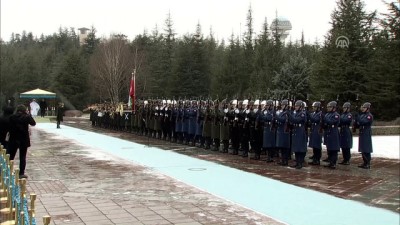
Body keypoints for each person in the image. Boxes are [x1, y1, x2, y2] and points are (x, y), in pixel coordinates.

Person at [7, 104, 36, 178]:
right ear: (24, 110)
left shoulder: (12, 117)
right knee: (22, 157)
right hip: (23, 139)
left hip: (13, 138)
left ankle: (8, 171)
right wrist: (28, 114)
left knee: (11, 156)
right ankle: (21, 173)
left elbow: (8, 126)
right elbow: (33, 123)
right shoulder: (26, 117)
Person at [354, 102, 373, 169]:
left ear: (367, 108)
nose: (363, 109)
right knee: (362, 147)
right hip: (362, 132)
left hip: (366, 132)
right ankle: (364, 162)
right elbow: (358, 123)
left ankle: (367, 163)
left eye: (364, 108)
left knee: (366, 148)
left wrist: (358, 117)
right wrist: (356, 120)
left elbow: (363, 122)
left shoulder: (369, 116)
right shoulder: (362, 115)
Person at [289, 100, 308, 169]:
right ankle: (297, 162)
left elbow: (296, 120)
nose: (296, 107)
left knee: (300, 148)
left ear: (301, 107)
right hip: (296, 130)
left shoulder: (302, 113)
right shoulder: (295, 113)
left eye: (297, 106)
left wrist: (289, 115)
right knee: (296, 147)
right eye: (295, 106)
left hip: (300, 131)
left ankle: (300, 163)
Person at [322, 101, 340, 169]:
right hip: (328, 131)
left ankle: (333, 163)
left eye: (329, 107)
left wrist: (325, 119)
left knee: (333, 148)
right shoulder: (327, 114)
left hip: (333, 132)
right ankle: (330, 161)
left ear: (334, 107)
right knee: (329, 148)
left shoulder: (336, 115)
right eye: (328, 107)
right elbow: (325, 123)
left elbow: (331, 122)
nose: (328, 108)